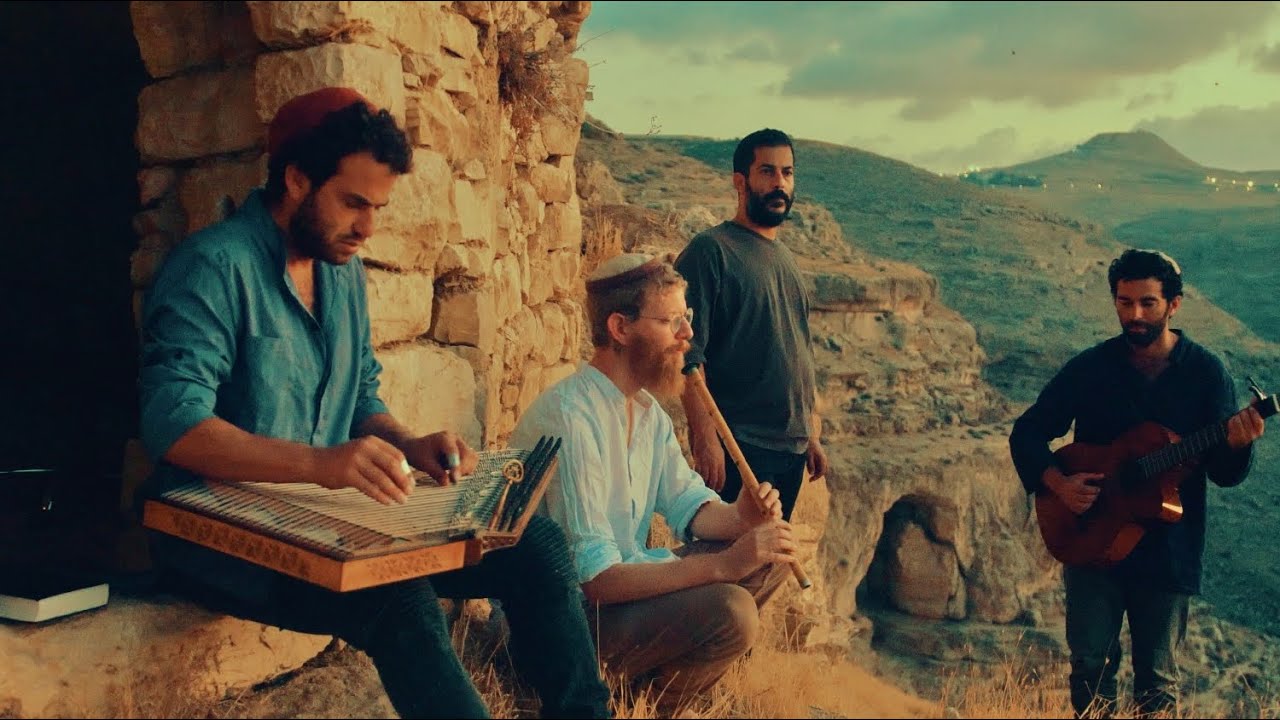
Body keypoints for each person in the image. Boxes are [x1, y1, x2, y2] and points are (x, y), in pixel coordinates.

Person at [137, 87, 611, 720]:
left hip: (322, 521)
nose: (368, 228)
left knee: (538, 544)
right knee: (398, 595)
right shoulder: (214, 268)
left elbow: (359, 394)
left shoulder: (340, 272)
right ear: (297, 180)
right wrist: (321, 464)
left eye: (377, 207)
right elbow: (174, 427)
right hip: (216, 538)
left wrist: (408, 444)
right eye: (353, 203)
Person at [509, 253, 795, 714]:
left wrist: (743, 516)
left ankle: (643, 690)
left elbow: (688, 504)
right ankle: (651, 704)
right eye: (671, 322)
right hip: (565, 629)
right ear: (620, 328)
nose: (687, 335)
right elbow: (597, 581)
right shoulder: (569, 418)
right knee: (733, 611)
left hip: (618, 602)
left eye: (687, 317)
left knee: (773, 553)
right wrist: (725, 565)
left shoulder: (647, 413)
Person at [1008, 249, 1266, 718]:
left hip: (1169, 549)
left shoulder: (1206, 373)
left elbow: (1225, 474)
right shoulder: (1091, 368)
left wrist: (1237, 443)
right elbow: (1026, 432)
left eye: (1148, 303)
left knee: (1158, 680)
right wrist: (1059, 485)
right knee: (1090, 666)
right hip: (1090, 537)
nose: (1135, 315)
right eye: (1125, 302)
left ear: (1174, 305)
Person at [674, 128, 826, 522]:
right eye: (767, 172)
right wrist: (706, 437)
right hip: (740, 447)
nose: (780, 184)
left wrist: (809, 434)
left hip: (789, 450)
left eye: (787, 173)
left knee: (769, 554)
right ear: (740, 182)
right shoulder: (711, 251)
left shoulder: (785, 259)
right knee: (729, 554)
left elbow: (796, 348)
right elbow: (686, 353)